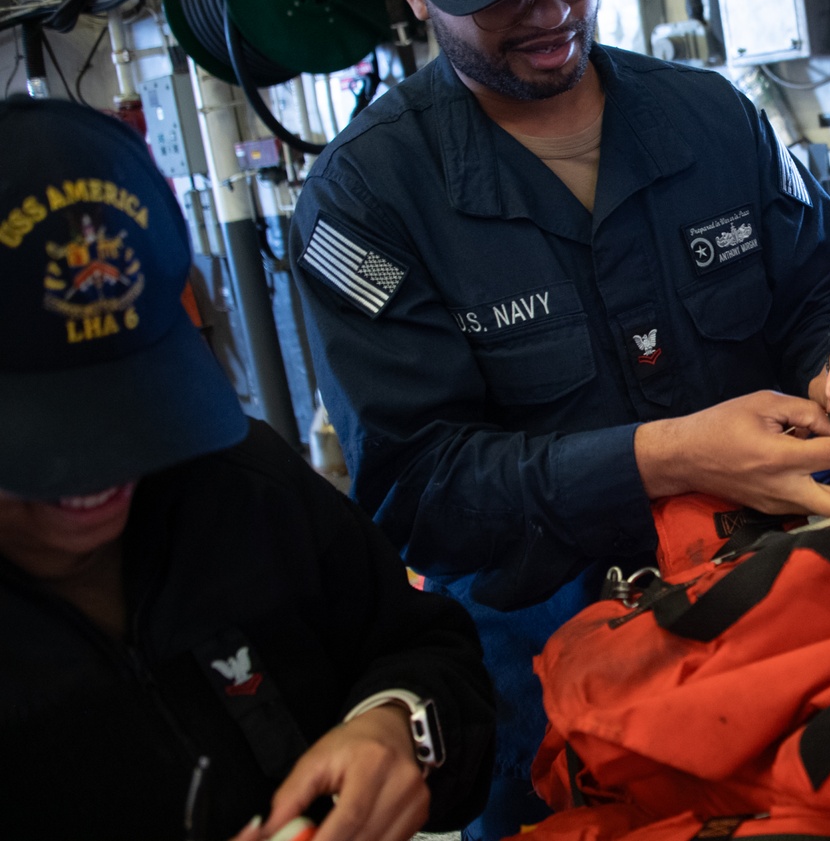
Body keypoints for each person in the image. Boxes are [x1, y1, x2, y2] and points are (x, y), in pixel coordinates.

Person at [288, 0, 830, 836]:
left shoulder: (714, 119)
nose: (547, 7)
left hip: (786, 625)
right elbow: (422, 490)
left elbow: (816, 294)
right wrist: (665, 456)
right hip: (547, 688)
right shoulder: (369, 200)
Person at [0, 94, 495, 841]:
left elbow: (430, 652)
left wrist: (398, 726)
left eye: (129, 404)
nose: (99, 471)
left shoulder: (244, 487)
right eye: (45, 431)